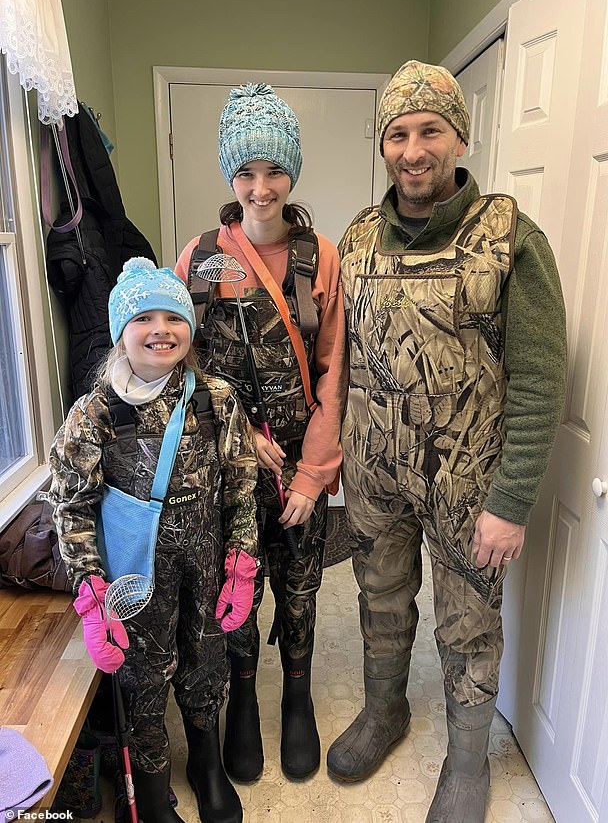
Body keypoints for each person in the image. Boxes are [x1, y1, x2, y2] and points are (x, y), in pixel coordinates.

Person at [326, 60, 567, 823]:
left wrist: (512, 499)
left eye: (429, 129)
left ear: (459, 136)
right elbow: (341, 358)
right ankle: (384, 711)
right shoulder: (357, 237)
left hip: (468, 485)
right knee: (380, 598)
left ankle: (468, 761)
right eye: (397, 133)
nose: (412, 148)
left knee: (468, 623)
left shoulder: (510, 239)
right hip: (374, 475)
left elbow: (539, 379)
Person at [175, 83, 347, 782]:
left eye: (274, 170)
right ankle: (243, 696)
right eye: (246, 171)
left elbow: (335, 373)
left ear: (292, 174)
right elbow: (176, 366)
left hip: (301, 466)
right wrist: (238, 433)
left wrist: (312, 474)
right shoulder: (199, 259)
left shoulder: (320, 258)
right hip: (229, 469)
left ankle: (297, 696)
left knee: (299, 584)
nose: (261, 186)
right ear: (230, 176)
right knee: (235, 584)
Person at [49, 257, 259, 823]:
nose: (160, 329)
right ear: (121, 331)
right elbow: (72, 507)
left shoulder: (215, 399)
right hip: (137, 577)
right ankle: (151, 778)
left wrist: (241, 560)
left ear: (189, 329)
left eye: (174, 316)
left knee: (206, 659)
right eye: (144, 317)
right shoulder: (95, 413)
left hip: (207, 564)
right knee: (144, 676)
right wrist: (92, 596)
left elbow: (241, 485)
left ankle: (206, 763)